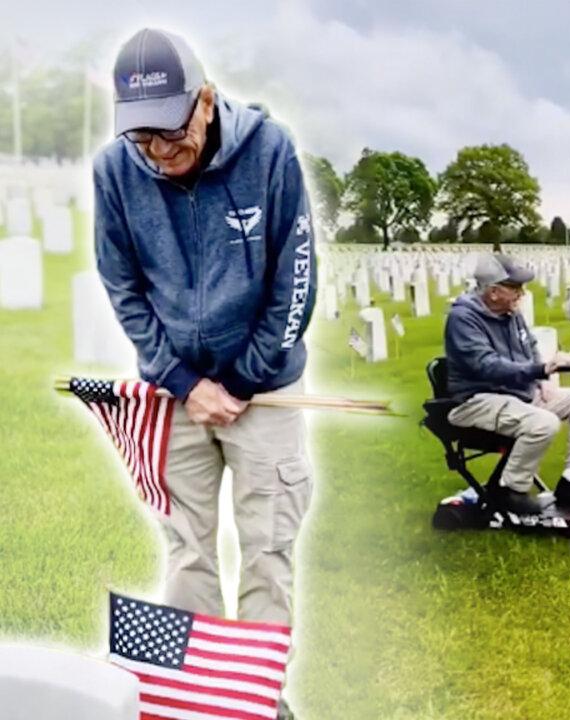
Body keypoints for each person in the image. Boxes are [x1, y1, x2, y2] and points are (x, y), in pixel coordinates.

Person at [94, 28, 316, 719]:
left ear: (206, 101)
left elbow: (295, 281)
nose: (161, 155)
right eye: (143, 140)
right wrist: (185, 384)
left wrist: (243, 382)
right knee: (186, 549)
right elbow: (122, 285)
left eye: (171, 133)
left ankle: (253, 697)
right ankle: (196, 697)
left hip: (265, 385)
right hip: (174, 392)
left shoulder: (270, 153)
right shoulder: (114, 172)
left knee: (266, 546)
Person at [443, 254, 570, 515]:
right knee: (544, 423)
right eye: (515, 288)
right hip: (476, 399)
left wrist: (546, 375)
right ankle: (510, 491)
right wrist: (540, 370)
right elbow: (486, 365)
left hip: (516, 394)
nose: (522, 293)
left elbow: (529, 348)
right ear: (494, 292)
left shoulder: (510, 313)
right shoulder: (463, 319)